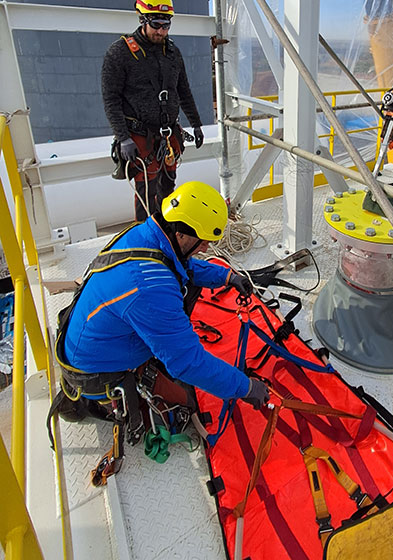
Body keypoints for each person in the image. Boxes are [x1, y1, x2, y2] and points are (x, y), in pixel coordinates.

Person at [55, 181, 269, 432]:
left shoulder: (145, 234)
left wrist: (226, 277)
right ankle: (96, 403)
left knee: (185, 293)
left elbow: (177, 265)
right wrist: (245, 387)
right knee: (187, 404)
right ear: (180, 232)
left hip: (89, 345)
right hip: (95, 374)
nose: (206, 248)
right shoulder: (148, 286)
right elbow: (188, 363)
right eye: (202, 241)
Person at [102, 0, 206, 221]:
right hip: (141, 139)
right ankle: (147, 242)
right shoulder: (120, 53)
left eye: (166, 25)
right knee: (145, 196)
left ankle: (167, 233)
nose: (161, 31)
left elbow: (183, 91)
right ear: (142, 20)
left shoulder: (172, 52)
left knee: (168, 190)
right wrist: (123, 137)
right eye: (156, 24)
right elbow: (111, 99)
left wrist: (196, 124)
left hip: (167, 137)